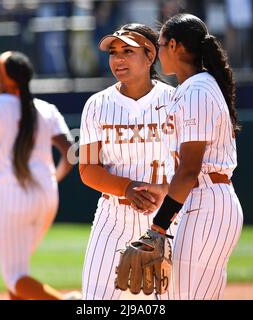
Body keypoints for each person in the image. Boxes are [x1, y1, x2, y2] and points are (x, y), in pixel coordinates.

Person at [134, 13, 244, 300]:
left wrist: (159, 225)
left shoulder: (197, 89)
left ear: (176, 46)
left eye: (160, 44)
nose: (157, 54)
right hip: (199, 202)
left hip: (208, 203)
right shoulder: (193, 88)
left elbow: (190, 170)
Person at [0, 51, 75, 300]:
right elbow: (72, 154)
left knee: (14, 276)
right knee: (19, 270)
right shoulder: (46, 108)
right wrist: (54, 177)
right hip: (47, 195)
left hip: (12, 197)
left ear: (3, 79)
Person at [79, 23, 178, 300]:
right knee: (96, 302)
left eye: (127, 51)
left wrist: (164, 191)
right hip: (113, 216)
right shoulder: (97, 105)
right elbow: (87, 169)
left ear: (150, 55)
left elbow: (191, 170)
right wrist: (127, 188)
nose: (118, 59)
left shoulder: (175, 101)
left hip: (168, 217)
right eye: (113, 52)